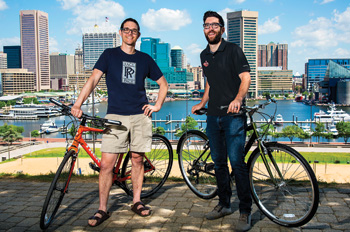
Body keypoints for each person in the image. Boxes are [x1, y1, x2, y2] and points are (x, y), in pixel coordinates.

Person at [71, 18, 168, 227]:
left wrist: (157, 105)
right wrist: (78, 104)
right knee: (107, 164)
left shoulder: (145, 59)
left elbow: (163, 85)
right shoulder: (109, 55)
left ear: (138, 35)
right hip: (115, 116)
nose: (130, 33)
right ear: (120, 32)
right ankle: (102, 209)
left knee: (137, 159)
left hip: (140, 116)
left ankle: (136, 201)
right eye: (126, 30)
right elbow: (93, 80)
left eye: (134, 31)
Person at [191, 11, 252, 231]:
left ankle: (245, 211)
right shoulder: (204, 55)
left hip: (233, 116)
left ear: (222, 28)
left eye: (215, 25)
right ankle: (224, 204)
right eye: (207, 25)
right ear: (204, 29)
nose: (211, 28)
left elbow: (245, 78)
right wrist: (201, 102)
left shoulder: (234, 50)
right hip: (213, 115)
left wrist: (238, 99)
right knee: (218, 163)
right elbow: (210, 83)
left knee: (236, 162)